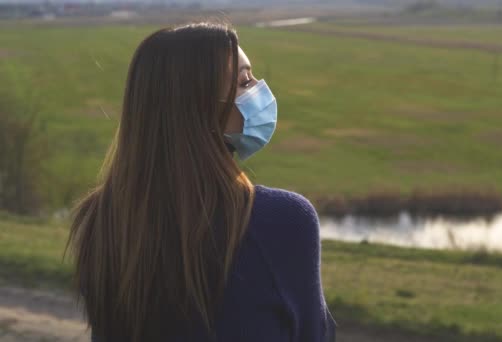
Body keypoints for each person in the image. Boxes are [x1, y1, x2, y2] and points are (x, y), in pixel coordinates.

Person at [65, 21, 336, 342]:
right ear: (200, 108)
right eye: (244, 81)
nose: (260, 90)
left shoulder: (104, 218)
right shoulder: (280, 221)